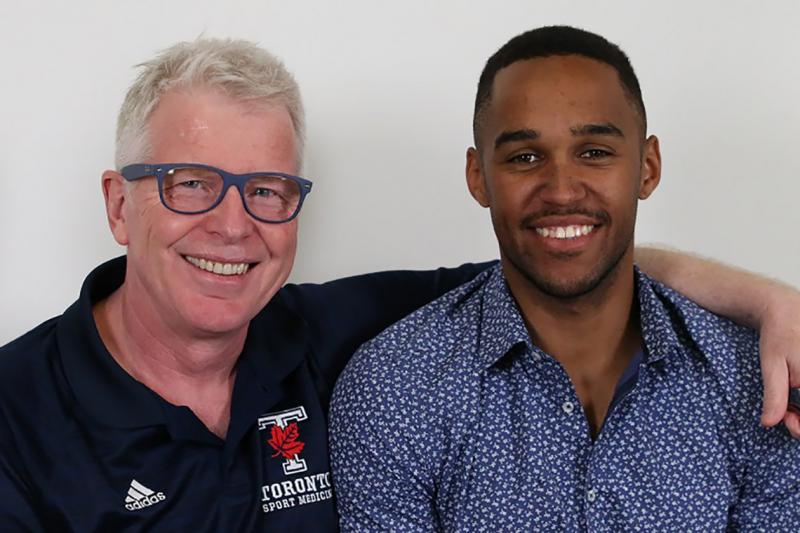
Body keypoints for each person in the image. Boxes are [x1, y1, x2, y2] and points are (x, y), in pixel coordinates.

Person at [0, 37, 796, 532]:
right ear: (117, 204)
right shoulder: (14, 415)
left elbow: (563, 256)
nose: (233, 226)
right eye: (191, 184)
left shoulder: (325, 335)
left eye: (268, 189)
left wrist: (772, 302)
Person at [330, 26, 800, 531]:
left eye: (594, 151)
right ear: (477, 177)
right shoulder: (396, 389)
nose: (560, 190)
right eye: (524, 157)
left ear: (647, 166)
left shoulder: (757, 380)